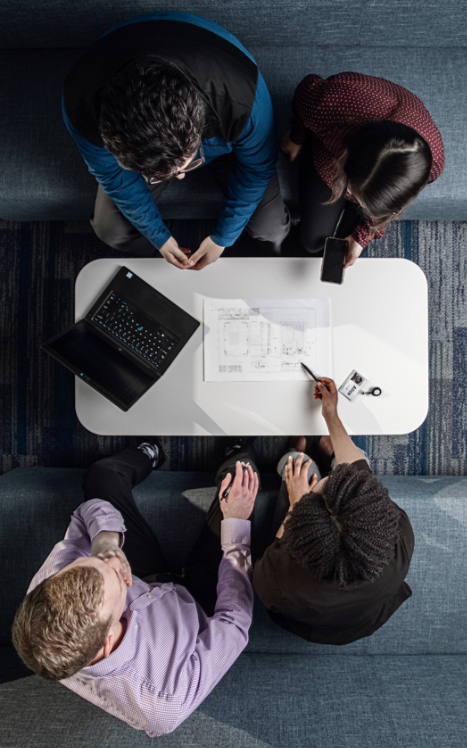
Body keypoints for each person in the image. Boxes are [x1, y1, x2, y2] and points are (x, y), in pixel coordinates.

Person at [12, 440, 259, 737]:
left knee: (101, 475)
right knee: (241, 477)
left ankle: (151, 451)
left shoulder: (47, 588)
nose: (115, 564)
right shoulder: (164, 701)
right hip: (198, 603)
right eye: (116, 577)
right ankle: (236, 449)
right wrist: (236, 524)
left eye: (96, 562)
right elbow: (235, 620)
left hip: (144, 575)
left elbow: (86, 514)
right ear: (106, 640)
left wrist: (105, 545)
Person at [63, 11, 290, 270]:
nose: (180, 178)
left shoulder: (241, 100)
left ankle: (269, 261)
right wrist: (158, 236)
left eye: (185, 165)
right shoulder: (80, 109)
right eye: (163, 174)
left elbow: (257, 168)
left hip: (226, 142)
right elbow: (115, 178)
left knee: (272, 228)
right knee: (111, 230)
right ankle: (157, 262)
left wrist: (223, 238)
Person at [253, 378, 414, 645]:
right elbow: (360, 475)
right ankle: (327, 452)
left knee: (299, 466)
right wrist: (331, 414)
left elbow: (274, 552)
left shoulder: (276, 580)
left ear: (300, 531)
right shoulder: (397, 535)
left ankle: (296, 452)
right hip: (364, 617)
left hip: (313, 622)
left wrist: (295, 502)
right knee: (347, 460)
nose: (333, 478)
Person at [281, 72, 444, 266]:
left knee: (345, 248)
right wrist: (297, 136)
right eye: (352, 194)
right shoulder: (328, 101)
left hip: (368, 184)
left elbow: (392, 208)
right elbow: (304, 91)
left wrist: (362, 237)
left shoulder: (431, 167)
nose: (350, 198)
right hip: (332, 152)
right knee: (312, 242)